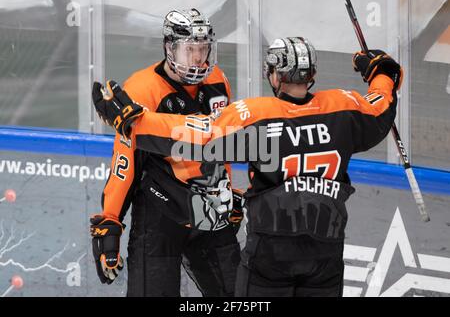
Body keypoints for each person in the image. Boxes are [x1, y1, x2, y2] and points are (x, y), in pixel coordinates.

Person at [92, 37, 402, 296]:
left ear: (276, 75)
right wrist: (384, 72)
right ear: (312, 73)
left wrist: (136, 123)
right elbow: (382, 106)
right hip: (326, 253)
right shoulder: (345, 109)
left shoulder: (257, 118)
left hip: (271, 253)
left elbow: (199, 136)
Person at [89, 8, 243, 297]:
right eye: (189, 50)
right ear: (169, 48)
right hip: (160, 219)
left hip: (210, 211)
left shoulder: (217, 80)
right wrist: (110, 221)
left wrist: (229, 191)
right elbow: (125, 161)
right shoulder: (142, 89)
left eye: (203, 49)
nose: (199, 58)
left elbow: (222, 144)